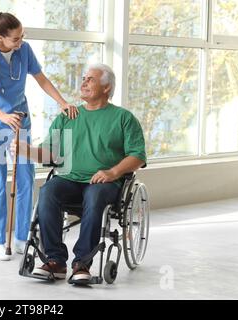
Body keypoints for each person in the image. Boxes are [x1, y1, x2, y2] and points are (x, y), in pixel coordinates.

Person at [11, 63, 146, 281]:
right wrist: (25, 151)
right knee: (48, 192)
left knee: (94, 196)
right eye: (83, 78)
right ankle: (54, 260)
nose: (83, 82)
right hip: (69, 179)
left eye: (90, 79)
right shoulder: (68, 116)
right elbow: (50, 154)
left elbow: (138, 155)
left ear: (106, 88)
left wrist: (112, 173)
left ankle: (82, 263)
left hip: (104, 183)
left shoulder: (123, 118)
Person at [0, 9, 78, 261]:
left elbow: (41, 80)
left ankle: (22, 237)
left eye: (22, 36)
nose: (20, 42)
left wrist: (61, 102)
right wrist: (2, 117)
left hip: (21, 122)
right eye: (15, 39)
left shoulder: (25, 50)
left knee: (25, 179)